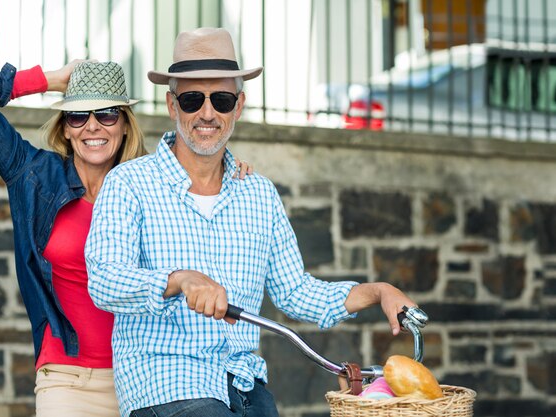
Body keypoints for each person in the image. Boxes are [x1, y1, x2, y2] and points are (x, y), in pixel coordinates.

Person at [85, 27, 417, 417]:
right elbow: (104, 280)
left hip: (245, 383)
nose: (207, 113)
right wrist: (178, 280)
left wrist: (377, 291)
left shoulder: (258, 193)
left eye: (221, 99)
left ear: (238, 106)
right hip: (166, 381)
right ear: (172, 106)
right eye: (193, 99)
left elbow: (295, 291)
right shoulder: (129, 183)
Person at [0, 59, 253, 417]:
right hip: (66, 379)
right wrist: (50, 79)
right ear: (65, 128)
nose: (92, 126)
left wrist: (232, 171)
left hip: (149, 381)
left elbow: (206, 168)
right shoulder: (34, 176)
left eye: (107, 114)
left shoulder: (152, 184)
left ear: (125, 125)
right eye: (78, 116)